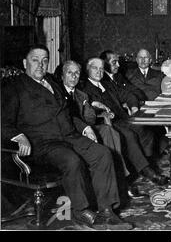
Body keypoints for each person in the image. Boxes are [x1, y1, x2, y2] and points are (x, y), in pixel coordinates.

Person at [1, 45, 130, 229]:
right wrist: (18, 136)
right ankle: (81, 211)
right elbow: (2, 121)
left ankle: (107, 210)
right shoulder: (14, 87)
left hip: (70, 135)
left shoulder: (53, 83)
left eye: (44, 60)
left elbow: (68, 114)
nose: (40, 65)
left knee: (102, 153)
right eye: (35, 60)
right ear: (24, 63)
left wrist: (84, 127)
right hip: (42, 143)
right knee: (71, 160)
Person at [60, 60, 146, 199]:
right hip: (68, 132)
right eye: (70, 73)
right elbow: (67, 118)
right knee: (116, 133)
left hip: (88, 126)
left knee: (108, 131)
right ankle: (122, 182)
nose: (74, 76)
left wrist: (95, 108)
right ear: (62, 75)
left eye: (76, 73)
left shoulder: (81, 95)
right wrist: (95, 114)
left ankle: (121, 179)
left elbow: (89, 118)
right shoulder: (58, 93)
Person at [82, 58, 168, 186]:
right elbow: (86, 110)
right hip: (106, 123)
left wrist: (133, 107)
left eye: (101, 69)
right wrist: (97, 107)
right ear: (88, 70)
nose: (99, 72)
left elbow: (128, 95)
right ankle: (147, 171)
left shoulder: (107, 84)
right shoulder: (84, 88)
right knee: (129, 135)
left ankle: (145, 164)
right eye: (95, 68)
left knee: (144, 129)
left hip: (122, 118)